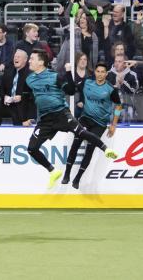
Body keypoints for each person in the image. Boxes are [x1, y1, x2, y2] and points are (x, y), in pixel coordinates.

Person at [25, 49, 118, 188]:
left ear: (41, 62)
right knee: (32, 148)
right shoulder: (29, 79)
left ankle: (105, 150)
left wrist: (68, 72)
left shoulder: (55, 76)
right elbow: (33, 97)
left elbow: (71, 90)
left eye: (32, 58)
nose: (29, 61)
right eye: (30, 58)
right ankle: (53, 171)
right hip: (45, 119)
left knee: (81, 135)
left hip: (62, 114)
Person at [62, 62, 122, 189]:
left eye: (102, 72)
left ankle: (77, 179)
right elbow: (72, 89)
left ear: (106, 74)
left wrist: (114, 124)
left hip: (100, 123)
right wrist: (68, 73)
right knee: (76, 141)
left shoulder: (111, 89)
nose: (100, 74)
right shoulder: (87, 82)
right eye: (98, 71)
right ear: (95, 72)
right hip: (85, 118)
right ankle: (66, 174)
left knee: (90, 149)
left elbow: (118, 105)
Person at [0, 49, 35, 125]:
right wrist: (4, 97)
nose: (16, 58)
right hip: (8, 103)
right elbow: (1, 89)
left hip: (23, 104)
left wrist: (21, 97)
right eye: (15, 56)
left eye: (18, 57)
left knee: (17, 114)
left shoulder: (30, 74)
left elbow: (32, 93)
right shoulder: (8, 71)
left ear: (25, 60)